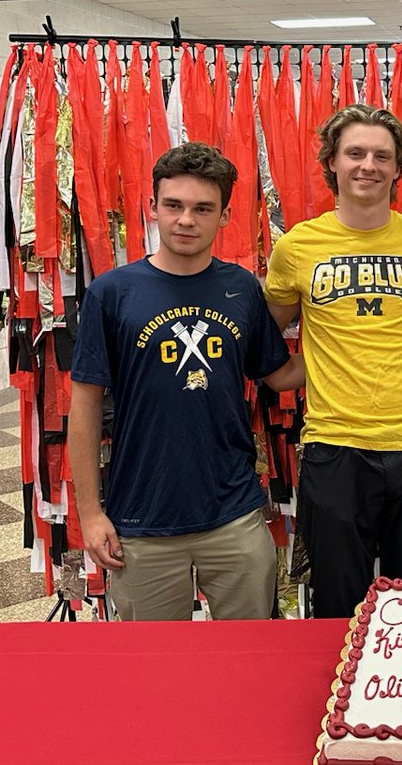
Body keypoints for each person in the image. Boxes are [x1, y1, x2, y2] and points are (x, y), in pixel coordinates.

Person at [69, 142, 303, 621]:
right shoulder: (112, 293)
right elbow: (86, 404)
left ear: (225, 215)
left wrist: (358, 345)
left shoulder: (241, 288)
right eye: (173, 205)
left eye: (203, 208)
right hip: (141, 517)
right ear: (152, 207)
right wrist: (90, 514)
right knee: (154, 671)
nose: (186, 220)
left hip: (233, 513)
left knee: (250, 657)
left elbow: (280, 375)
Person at [265, 103, 402, 619]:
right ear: (333, 163)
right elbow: (267, 335)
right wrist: (295, 371)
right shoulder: (298, 245)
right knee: (338, 600)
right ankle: (339, 699)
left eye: (381, 156)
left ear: (398, 168)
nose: (368, 165)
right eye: (356, 153)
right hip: (334, 443)